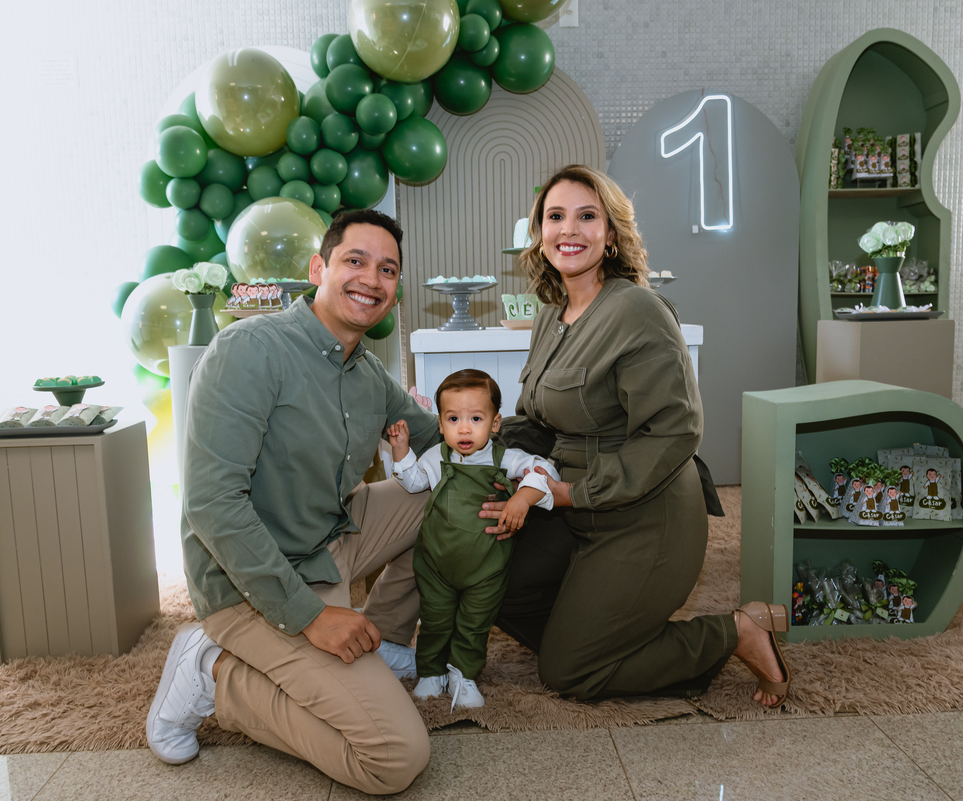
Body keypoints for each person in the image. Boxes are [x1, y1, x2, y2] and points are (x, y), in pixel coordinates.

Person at [145, 209, 442, 795]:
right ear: (318, 268)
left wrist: (527, 459)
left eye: (387, 269)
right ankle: (213, 672)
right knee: (393, 759)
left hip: (328, 540)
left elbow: (443, 440)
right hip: (250, 584)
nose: (371, 279)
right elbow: (211, 504)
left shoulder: (368, 372)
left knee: (448, 492)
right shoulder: (250, 350)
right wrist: (309, 617)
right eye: (354, 261)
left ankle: (379, 635)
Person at [479, 164, 792, 708]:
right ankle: (598, 630)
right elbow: (536, 420)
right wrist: (465, 434)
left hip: (644, 516)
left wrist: (573, 493)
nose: (568, 230)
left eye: (586, 216)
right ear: (540, 231)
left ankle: (734, 632)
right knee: (489, 577)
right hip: (569, 507)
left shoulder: (637, 311)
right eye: (555, 216)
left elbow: (675, 433)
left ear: (612, 234)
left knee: (568, 671)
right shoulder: (552, 314)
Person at [387, 369, 559, 709]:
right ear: (440, 424)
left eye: (476, 418)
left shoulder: (505, 459)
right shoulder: (437, 457)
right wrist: (401, 451)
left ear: (495, 424)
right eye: (453, 418)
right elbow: (412, 481)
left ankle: (463, 673)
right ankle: (430, 672)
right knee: (434, 619)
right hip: (436, 563)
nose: (464, 428)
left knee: (474, 623)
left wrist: (522, 498)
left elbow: (545, 471)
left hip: (486, 568)